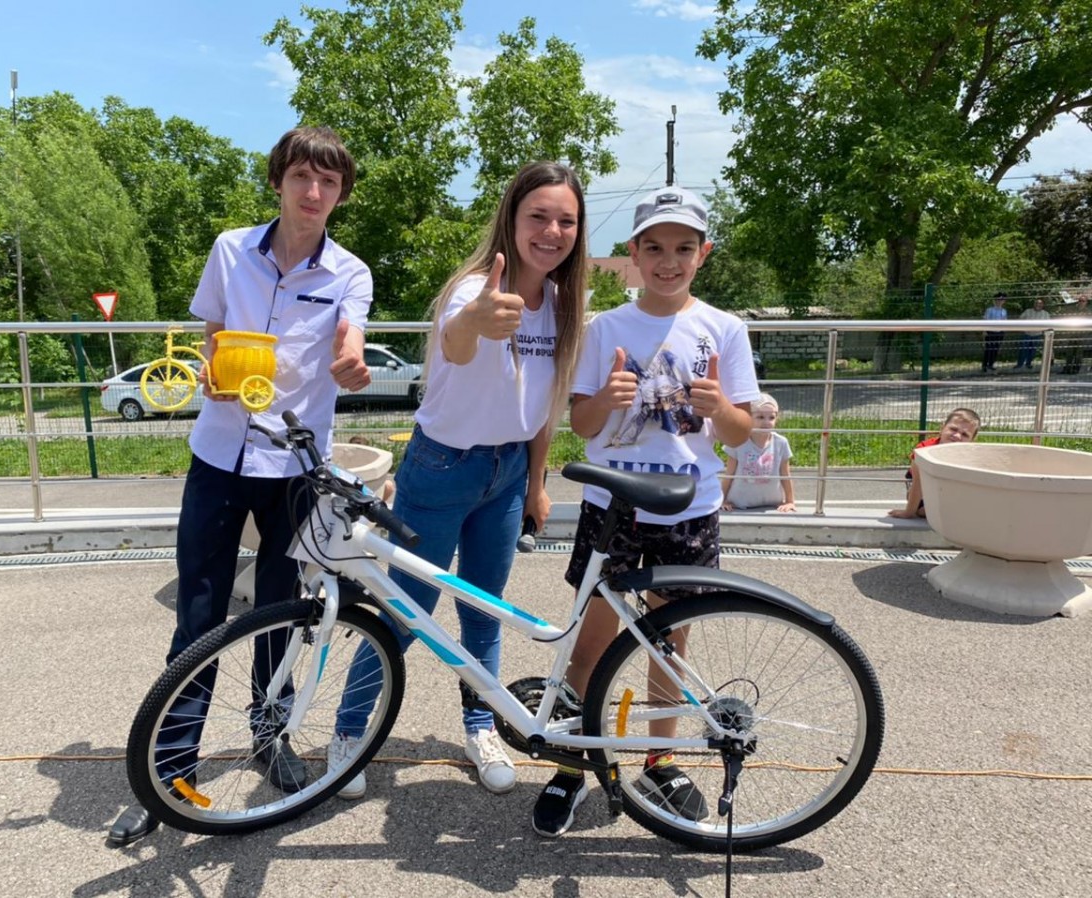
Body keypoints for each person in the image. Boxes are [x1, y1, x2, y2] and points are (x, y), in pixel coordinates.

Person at [108, 126, 373, 847]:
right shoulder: (230, 249)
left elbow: (349, 338)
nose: (313, 192)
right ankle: (168, 773)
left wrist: (352, 363)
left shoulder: (349, 271)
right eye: (301, 177)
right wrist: (207, 370)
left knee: (282, 614)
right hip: (220, 454)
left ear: (341, 194)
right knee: (197, 616)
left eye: (328, 182)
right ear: (278, 180)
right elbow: (215, 334)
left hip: (295, 467)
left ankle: (270, 736)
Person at [330, 162, 588, 799]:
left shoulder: (563, 305)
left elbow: (543, 408)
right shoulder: (474, 289)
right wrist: (477, 320)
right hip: (442, 467)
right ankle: (350, 731)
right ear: (511, 219)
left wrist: (536, 483)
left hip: (506, 474)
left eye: (566, 220)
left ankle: (480, 726)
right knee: (405, 611)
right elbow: (456, 341)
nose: (552, 231)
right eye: (538, 216)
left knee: (484, 609)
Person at [530, 186, 760, 838]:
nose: (668, 261)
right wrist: (605, 398)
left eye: (683, 248)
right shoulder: (606, 327)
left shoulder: (725, 329)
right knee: (591, 642)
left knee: (671, 642)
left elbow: (742, 433)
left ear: (703, 254)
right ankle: (575, 761)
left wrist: (720, 409)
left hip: (691, 508)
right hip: (613, 507)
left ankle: (661, 759)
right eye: (654, 248)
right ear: (632, 253)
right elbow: (581, 423)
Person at [887, 408, 980, 520]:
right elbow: (918, 484)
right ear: (942, 428)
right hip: (922, 491)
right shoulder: (924, 450)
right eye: (953, 429)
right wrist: (908, 512)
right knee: (923, 511)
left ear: (972, 440)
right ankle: (924, 509)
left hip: (948, 493)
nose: (957, 436)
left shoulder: (969, 457)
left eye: (965, 434)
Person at [720, 392, 796, 512]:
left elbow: (785, 475)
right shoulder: (738, 440)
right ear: (749, 417)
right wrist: (722, 500)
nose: (766, 422)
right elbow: (729, 474)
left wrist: (790, 501)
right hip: (739, 503)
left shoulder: (781, 442)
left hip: (771, 504)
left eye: (771, 417)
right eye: (760, 417)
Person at [1014, 297, 1049, 371]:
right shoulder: (1028, 311)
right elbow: (1020, 319)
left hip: (1037, 334)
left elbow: (1048, 325)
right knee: (1023, 349)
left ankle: (1028, 364)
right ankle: (1019, 364)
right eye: (1036, 303)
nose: (1038, 305)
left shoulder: (1046, 314)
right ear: (1034, 304)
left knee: (1033, 351)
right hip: (1027, 333)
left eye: (1040, 303)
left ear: (1043, 305)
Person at [1060, 293, 1090, 375]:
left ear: (1086, 302)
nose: (1081, 302)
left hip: (1082, 334)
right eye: (1080, 300)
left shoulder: (1088, 312)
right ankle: (1067, 368)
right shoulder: (1072, 309)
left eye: (1083, 301)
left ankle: (1076, 369)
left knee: (1078, 353)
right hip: (1072, 333)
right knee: (1069, 352)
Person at [981, 293, 1007, 372]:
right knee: (988, 349)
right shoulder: (989, 310)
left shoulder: (1004, 311)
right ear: (995, 300)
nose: (1000, 301)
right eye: (998, 299)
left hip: (1000, 332)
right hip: (990, 332)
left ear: (1004, 301)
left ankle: (991, 364)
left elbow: (1005, 322)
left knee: (996, 349)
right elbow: (985, 320)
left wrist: (1004, 331)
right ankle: (984, 366)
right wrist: (984, 330)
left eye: (1002, 300)